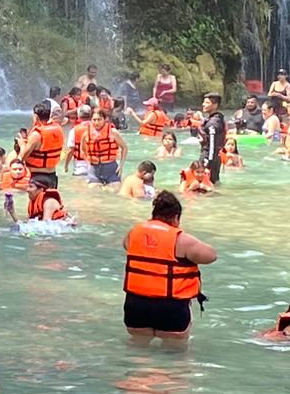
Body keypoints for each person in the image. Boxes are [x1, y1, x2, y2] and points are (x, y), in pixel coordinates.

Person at [121, 190, 216, 342]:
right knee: (174, 357)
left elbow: (126, 245)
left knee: (138, 351)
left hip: (136, 305)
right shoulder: (182, 240)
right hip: (171, 308)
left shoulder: (134, 233)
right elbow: (211, 256)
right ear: (176, 217)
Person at [19, 101, 65, 188]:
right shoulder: (58, 128)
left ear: (36, 116)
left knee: (38, 201)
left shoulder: (36, 135)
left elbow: (23, 157)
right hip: (52, 175)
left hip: (38, 177)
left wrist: (22, 144)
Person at [82, 107, 127, 185]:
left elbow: (124, 148)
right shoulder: (86, 133)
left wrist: (121, 166)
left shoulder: (113, 132)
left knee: (113, 191)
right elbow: (83, 150)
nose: (96, 123)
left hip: (111, 168)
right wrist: (88, 163)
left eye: (99, 119)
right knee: (95, 192)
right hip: (94, 169)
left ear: (105, 119)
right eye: (94, 120)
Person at [198, 93, 227, 185]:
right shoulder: (215, 119)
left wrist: (208, 164)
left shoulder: (213, 123)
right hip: (213, 156)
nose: (203, 104)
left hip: (210, 157)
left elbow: (212, 145)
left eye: (207, 102)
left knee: (206, 184)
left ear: (215, 105)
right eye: (203, 102)